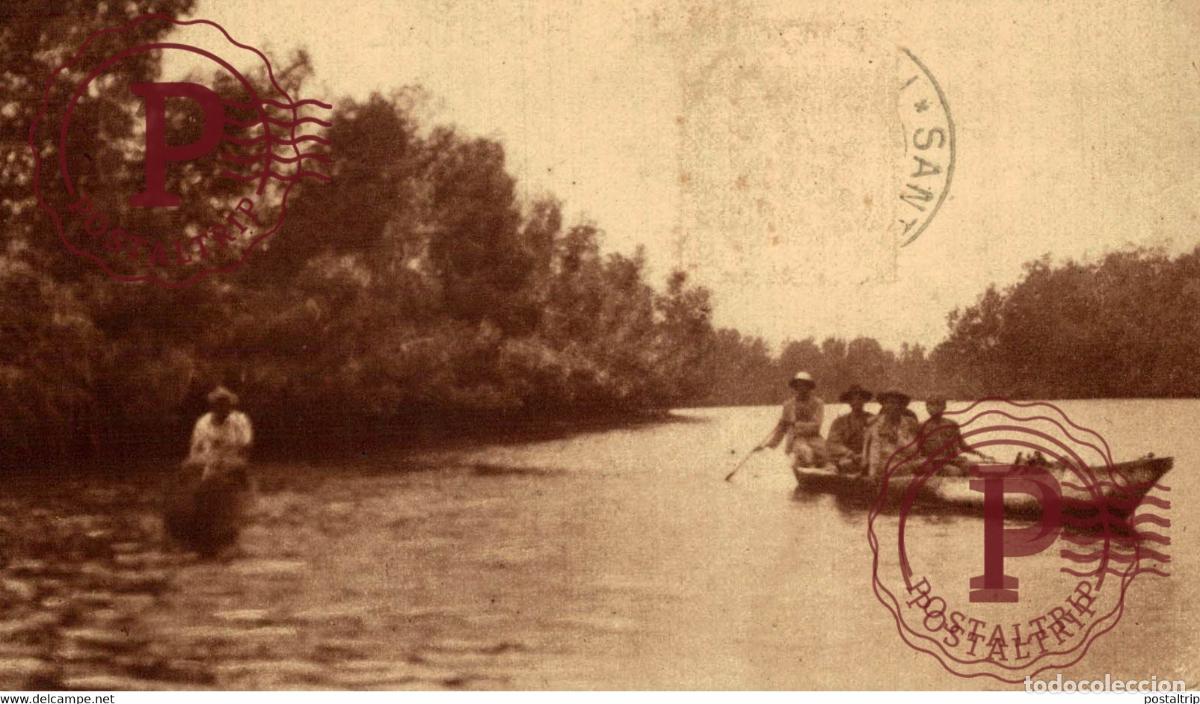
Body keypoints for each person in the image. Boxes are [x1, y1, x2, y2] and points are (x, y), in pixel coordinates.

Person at [757, 371, 827, 468]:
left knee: (827, 453)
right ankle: (808, 467)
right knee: (805, 452)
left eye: (804, 385)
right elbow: (781, 429)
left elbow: (816, 426)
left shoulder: (818, 403)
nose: (801, 388)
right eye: (798, 385)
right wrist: (768, 445)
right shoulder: (788, 405)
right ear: (795, 387)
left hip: (815, 438)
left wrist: (795, 424)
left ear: (809, 387)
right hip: (796, 439)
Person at [185, 386, 254, 480]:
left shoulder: (240, 419)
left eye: (226, 404)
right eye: (219, 404)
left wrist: (228, 459)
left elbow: (246, 446)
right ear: (213, 406)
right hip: (206, 458)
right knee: (188, 465)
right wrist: (203, 459)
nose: (223, 407)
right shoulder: (203, 422)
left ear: (230, 405)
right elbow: (195, 447)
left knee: (235, 467)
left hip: (231, 458)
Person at [917, 397, 986, 475]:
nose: (935, 408)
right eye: (931, 405)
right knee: (955, 472)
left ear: (944, 407)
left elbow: (962, 445)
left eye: (938, 404)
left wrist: (980, 454)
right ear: (927, 408)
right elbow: (916, 448)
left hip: (954, 459)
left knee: (973, 468)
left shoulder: (952, 424)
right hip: (935, 461)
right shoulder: (921, 426)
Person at [863, 390, 920, 478]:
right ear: (884, 405)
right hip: (882, 468)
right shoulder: (875, 424)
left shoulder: (909, 423)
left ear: (903, 406)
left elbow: (914, 450)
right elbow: (872, 451)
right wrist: (872, 474)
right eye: (890, 403)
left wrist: (898, 440)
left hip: (904, 466)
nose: (894, 406)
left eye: (898, 403)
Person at [827, 384, 874, 473]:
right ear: (849, 402)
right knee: (839, 465)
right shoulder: (839, 422)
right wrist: (850, 453)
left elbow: (878, 441)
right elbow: (833, 443)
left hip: (868, 457)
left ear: (864, 401)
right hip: (846, 458)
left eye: (860, 398)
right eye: (853, 399)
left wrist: (865, 454)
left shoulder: (873, 419)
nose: (857, 402)